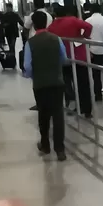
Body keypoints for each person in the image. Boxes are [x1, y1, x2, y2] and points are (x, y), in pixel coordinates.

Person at [23, 10, 66, 160]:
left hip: (40, 83)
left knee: (43, 114)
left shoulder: (30, 43)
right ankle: (60, 149)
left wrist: (31, 75)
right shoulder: (56, 39)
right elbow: (64, 58)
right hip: (57, 81)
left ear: (33, 25)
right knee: (58, 114)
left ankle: (45, 144)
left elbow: (27, 66)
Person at [48, 5, 94, 117]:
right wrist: (84, 36)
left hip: (63, 58)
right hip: (79, 57)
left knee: (67, 84)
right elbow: (88, 26)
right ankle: (86, 109)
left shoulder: (52, 26)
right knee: (83, 83)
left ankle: (72, 104)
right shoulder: (73, 20)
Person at [84, 3, 103, 102]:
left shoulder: (87, 21)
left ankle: (98, 95)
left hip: (93, 51)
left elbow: (84, 37)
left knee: (95, 75)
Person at [1, 5, 22, 70]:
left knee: (12, 45)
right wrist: (4, 25)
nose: (8, 9)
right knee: (11, 46)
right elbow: (1, 24)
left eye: (9, 8)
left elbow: (20, 22)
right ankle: (12, 60)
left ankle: (13, 60)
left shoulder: (15, 15)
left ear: (11, 8)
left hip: (13, 33)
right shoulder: (4, 15)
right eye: (7, 8)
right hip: (8, 33)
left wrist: (24, 26)